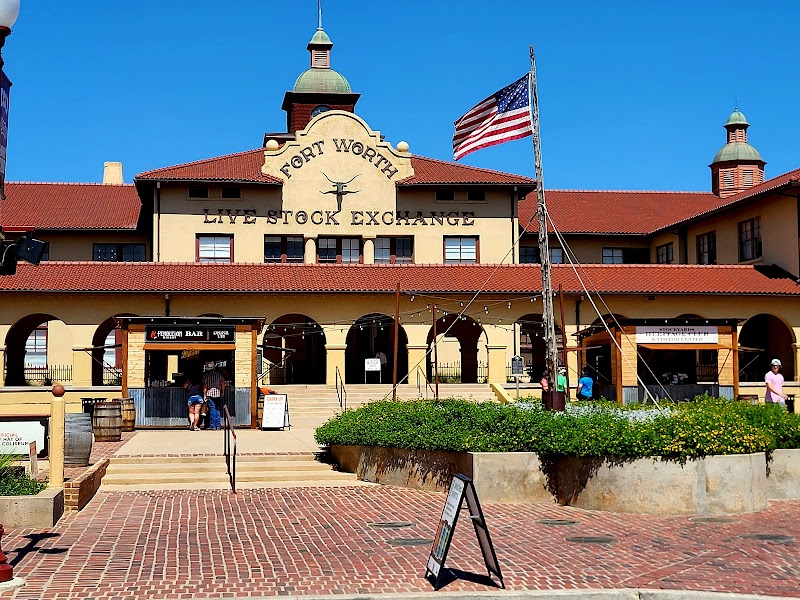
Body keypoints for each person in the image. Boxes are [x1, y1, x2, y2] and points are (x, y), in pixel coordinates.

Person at [202, 361, 226, 430]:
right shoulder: (219, 374)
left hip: (209, 394)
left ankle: (212, 426)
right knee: (217, 409)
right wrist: (222, 391)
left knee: (212, 409)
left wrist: (204, 395)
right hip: (218, 394)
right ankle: (218, 426)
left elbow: (205, 386)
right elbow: (223, 383)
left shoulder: (206, 375)